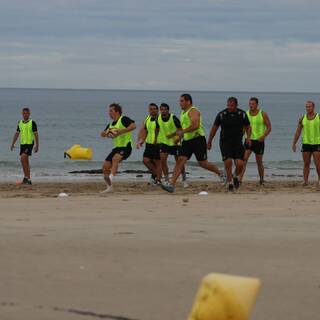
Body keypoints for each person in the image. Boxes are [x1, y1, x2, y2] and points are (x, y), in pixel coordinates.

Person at [162, 93, 225, 193]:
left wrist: (182, 132)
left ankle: (221, 173)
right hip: (187, 141)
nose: (180, 103)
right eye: (180, 101)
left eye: (182, 101)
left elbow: (195, 125)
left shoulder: (193, 111)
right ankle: (171, 185)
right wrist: (178, 138)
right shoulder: (183, 113)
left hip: (198, 140)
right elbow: (184, 128)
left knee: (203, 163)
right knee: (180, 160)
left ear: (188, 101)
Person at [208, 97, 251, 191]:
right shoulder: (221, 114)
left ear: (236, 105)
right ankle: (230, 183)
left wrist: (248, 137)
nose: (229, 107)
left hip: (238, 143)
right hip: (225, 143)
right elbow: (214, 128)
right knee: (228, 162)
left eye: (231, 105)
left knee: (240, 164)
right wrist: (210, 141)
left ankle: (235, 176)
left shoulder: (242, 114)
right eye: (228, 105)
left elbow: (248, 127)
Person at [101, 103, 136, 193]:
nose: (109, 113)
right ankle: (110, 187)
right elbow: (102, 134)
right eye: (109, 111)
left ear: (117, 112)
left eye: (111, 111)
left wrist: (121, 131)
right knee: (105, 166)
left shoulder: (123, 119)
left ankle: (111, 177)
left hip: (126, 147)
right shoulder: (111, 124)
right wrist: (105, 133)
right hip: (116, 148)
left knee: (115, 159)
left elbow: (133, 126)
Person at [239, 97, 272, 185]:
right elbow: (243, 128)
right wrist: (239, 137)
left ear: (257, 104)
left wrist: (263, 136)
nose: (251, 105)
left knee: (259, 162)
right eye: (250, 104)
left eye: (253, 104)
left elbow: (269, 127)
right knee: (243, 160)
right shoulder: (245, 114)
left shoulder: (262, 114)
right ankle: (239, 180)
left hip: (259, 141)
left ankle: (261, 180)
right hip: (248, 140)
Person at [157, 103, 188, 187]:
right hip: (164, 143)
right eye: (161, 109)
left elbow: (181, 130)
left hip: (175, 143)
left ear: (168, 110)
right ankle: (167, 180)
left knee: (179, 163)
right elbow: (158, 128)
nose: (163, 111)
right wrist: (156, 138)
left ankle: (184, 180)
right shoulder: (158, 118)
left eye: (164, 109)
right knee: (162, 160)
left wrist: (173, 136)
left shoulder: (173, 118)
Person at [292, 100, 320, 187]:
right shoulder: (302, 118)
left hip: (317, 143)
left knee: (318, 163)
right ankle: (305, 181)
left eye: (309, 106)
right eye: (307, 107)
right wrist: (294, 143)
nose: (308, 108)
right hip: (306, 144)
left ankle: (319, 180)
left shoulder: (318, 117)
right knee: (306, 163)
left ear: (313, 107)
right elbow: (298, 132)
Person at [10, 107, 39, 185]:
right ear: (22, 114)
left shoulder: (32, 122)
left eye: (26, 113)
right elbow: (16, 134)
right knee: (25, 161)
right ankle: (27, 179)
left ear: (29, 114)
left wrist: (37, 145)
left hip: (29, 144)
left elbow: (36, 134)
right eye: (23, 113)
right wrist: (12, 144)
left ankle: (26, 178)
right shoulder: (20, 122)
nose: (25, 115)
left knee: (22, 158)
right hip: (22, 144)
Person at [137, 103, 162, 185]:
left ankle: (158, 180)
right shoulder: (147, 119)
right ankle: (156, 175)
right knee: (145, 161)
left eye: (154, 109)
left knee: (157, 162)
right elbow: (145, 131)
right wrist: (141, 141)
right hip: (149, 143)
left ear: (157, 110)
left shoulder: (160, 119)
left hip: (158, 143)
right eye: (151, 109)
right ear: (149, 110)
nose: (152, 110)